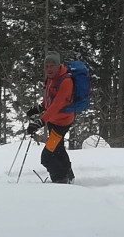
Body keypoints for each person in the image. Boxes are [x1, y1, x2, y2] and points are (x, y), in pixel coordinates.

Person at [26, 52, 76, 184]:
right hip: (53, 121)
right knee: (58, 149)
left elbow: (58, 104)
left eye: (52, 66)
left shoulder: (66, 82)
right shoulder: (51, 80)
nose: (48, 69)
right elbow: (50, 101)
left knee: (47, 157)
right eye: (46, 66)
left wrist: (40, 121)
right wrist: (38, 108)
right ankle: (68, 174)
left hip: (61, 123)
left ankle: (60, 181)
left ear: (58, 66)